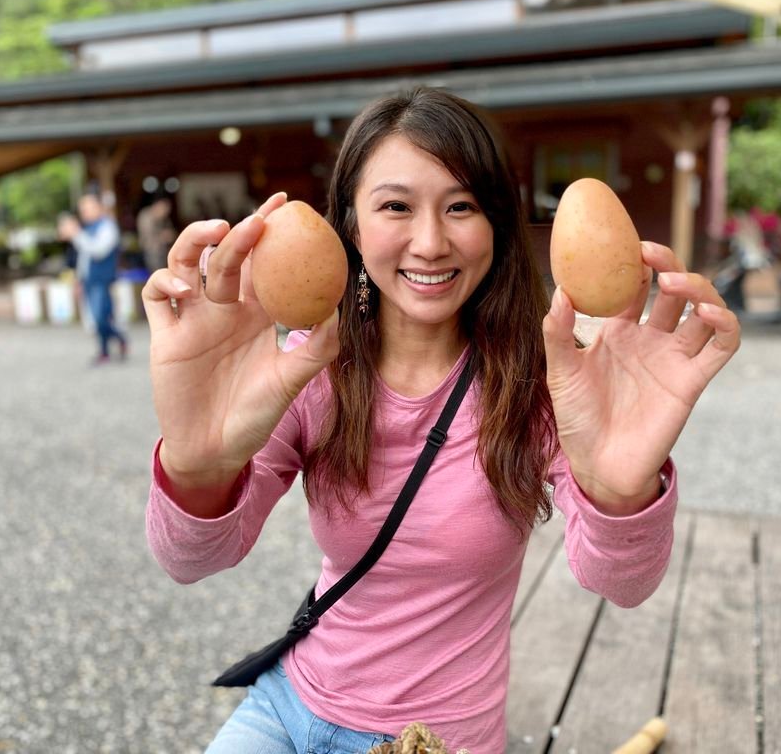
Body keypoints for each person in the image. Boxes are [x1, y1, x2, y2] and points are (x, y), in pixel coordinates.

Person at [141, 88, 741, 753]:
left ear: (497, 225)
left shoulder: (549, 385)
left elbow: (621, 583)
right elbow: (191, 560)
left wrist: (622, 488)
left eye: (461, 206)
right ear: (352, 225)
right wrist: (198, 462)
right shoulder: (307, 370)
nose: (430, 242)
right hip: (290, 700)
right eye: (396, 206)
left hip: (433, 738)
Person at [58, 191, 128, 365]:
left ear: (99, 207)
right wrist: (78, 280)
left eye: (89, 207)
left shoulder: (107, 227)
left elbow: (98, 251)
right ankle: (105, 350)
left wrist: (76, 234)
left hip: (102, 279)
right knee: (95, 319)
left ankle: (118, 338)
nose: (85, 212)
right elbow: (84, 259)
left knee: (100, 317)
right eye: (83, 209)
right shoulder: (87, 229)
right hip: (88, 280)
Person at [137, 195, 177, 273]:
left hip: (163, 252)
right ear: (158, 205)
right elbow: (148, 236)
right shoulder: (146, 216)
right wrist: (163, 236)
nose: (165, 213)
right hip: (150, 252)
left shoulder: (163, 219)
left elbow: (171, 231)